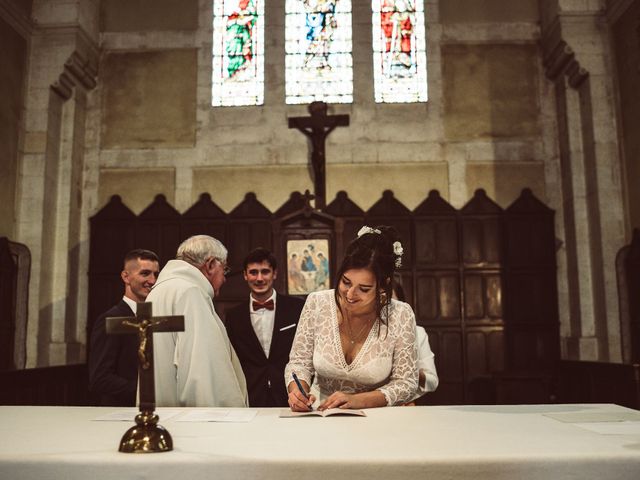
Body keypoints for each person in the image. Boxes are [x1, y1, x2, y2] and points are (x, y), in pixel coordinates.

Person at [285, 225, 418, 411]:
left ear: (383, 285)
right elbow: (299, 363)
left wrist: (361, 400)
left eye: (364, 289)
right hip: (320, 414)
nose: (350, 294)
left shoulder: (401, 315)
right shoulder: (317, 303)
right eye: (346, 282)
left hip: (376, 420)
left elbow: (407, 383)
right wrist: (297, 391)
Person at [147, 235, 247, 407]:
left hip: (160, 412)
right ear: (210, 265)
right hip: (194, 420)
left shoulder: (158, 291)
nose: (224, 278)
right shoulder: (190, 293)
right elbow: (202, 371)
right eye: (224, 269)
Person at [225, 248, 305, 407]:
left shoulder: (297, 308)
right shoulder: (233, 316)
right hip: (250, 395)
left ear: (274, 274)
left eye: (265, 272)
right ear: (245, 275)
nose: (259, 278)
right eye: (253, 272)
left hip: (290, 396)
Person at [89, 249, 160, 406]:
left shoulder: (156, 318)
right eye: (145, 273)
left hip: (155, 408)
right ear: (125, 277)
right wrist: (147, 390)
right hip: (121, 410)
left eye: (156, 274)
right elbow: (100, 379)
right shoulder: (111, 319)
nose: (153, 280)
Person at [391, 274, 439, 398]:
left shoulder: (417, 332)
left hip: (404, 406)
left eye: (391, 301)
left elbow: (432, 381)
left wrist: (409, 371)